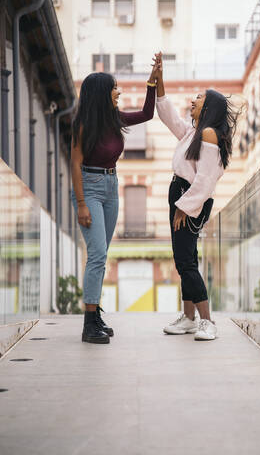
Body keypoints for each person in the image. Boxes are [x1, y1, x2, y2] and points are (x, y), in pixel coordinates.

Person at [154, 52, 240, 340]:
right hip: (180, 193)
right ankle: (189, 317)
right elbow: (170, 118)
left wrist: (183, 206)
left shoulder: (210, 136)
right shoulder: (194, 132)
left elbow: (205, 180)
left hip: (189, 197)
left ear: (210, 107)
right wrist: (160, 82)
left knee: (185, 261)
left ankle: (206, 321)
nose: (193, 100)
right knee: (185, 257)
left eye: (200, 97)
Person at [71, 61, 158, 344]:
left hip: (111, 187)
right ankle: (88, 325)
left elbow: (147, 113)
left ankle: (95, 315)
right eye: (114, 87)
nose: (118, 91)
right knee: (96, 255)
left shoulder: (114, 119)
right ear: (101, 93)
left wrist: (152, 83)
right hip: (90, 188)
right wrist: (82, 203)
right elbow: (74, 164)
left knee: (101, 254)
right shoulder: (83, 125)